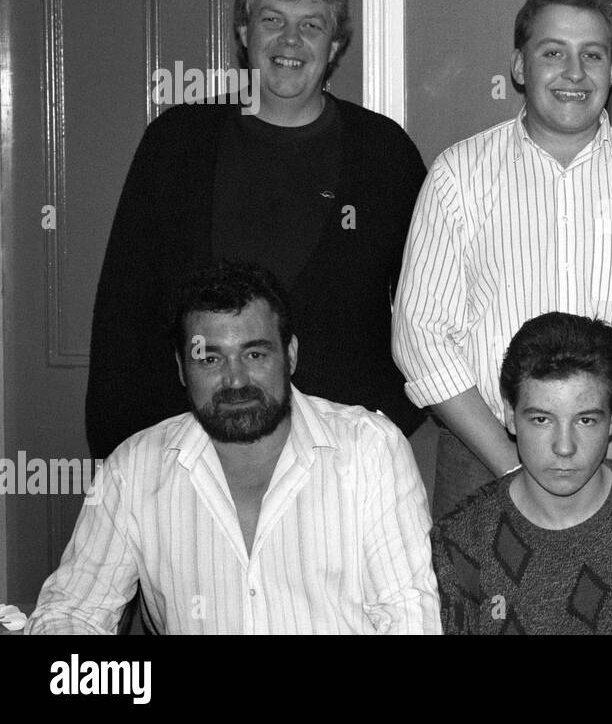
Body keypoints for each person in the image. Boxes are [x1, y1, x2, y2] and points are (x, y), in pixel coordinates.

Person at [86, 0, 427, 460]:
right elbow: (125, 301)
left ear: (335, 45)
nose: (291, 41)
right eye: (273, 19)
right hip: (190, 447)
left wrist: (389, 427)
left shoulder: (383, 154)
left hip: (339, 458)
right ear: (245, 34)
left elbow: (427, 304)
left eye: (311, 25)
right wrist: (120, 443)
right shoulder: (177, 144)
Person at [393, 0, 612, 518]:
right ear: (519, 66)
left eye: (593, 55)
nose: (574, 73)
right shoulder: (458, 176)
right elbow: (420, 335)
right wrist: (511, 465)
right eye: (553, 52)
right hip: (484, 454)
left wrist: (600, 457)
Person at [29, 262, 440, 634]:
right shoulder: (134, 469)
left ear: (290, 355)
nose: (236, 380)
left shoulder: (370, 450)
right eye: (210, 360)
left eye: (255, 353)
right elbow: (71, 612)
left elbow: (411, 617)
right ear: (180, 368)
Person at [431, 312, 612, 634]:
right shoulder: (462, 541)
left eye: (586, 420)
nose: (564, 447)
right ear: (511, 417)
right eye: (542, 420)